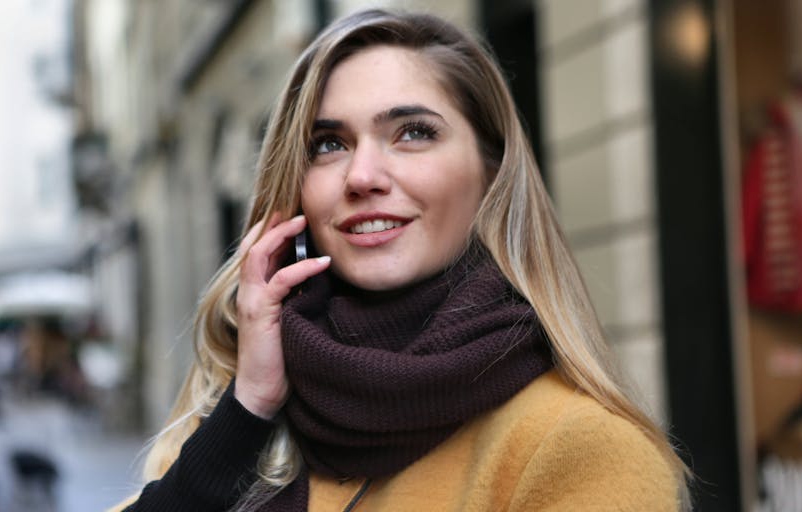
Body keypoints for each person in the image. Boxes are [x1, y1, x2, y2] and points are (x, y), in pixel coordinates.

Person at [116, 9, 688, 511]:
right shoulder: (235, 421)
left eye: (413, 133)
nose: (362, 177)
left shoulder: (579, 450)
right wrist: (249, 409)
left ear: (493, 173)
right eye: (328, 144)